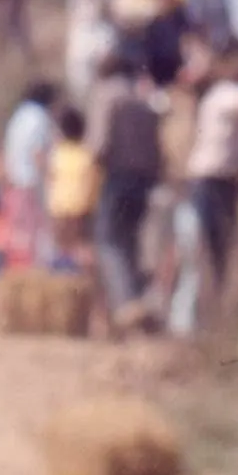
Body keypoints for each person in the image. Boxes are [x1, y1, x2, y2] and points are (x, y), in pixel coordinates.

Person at [180, 51, 238, 328]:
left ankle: (216, 313)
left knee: (222, 247)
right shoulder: (223, 96)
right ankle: (197, 318)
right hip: (209, 178)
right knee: (207, 246)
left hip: (224, 180)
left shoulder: (225, 98)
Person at [86, 53, 164, 324]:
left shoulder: (106, 95)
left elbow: (98, 144)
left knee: (108, 240)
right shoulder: (143, 98)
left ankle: (126, 303)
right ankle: (144, 302)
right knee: (132, 243)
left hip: (117, 177)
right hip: (145, 180)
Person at [0, 78, 58, 268]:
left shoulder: (19, 116)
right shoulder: (39, 117)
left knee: (20, 230)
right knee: (35, 230)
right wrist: (51, 177)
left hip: (16, 180)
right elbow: (37, 151)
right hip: (31, 181)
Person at [46, 104, 99, 264]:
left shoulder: (57, 154)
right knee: (83, 245)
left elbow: (50, 179)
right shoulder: (87, 155)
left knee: (62, 246)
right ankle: (85, 274)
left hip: (59, 208)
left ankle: (63, 272)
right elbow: (94, 182)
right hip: (82, 208)